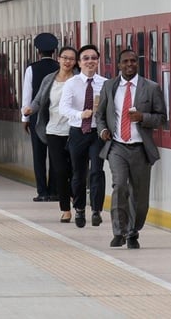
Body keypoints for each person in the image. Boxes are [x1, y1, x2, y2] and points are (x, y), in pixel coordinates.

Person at [95, 49, 166, 249]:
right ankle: (119, 231)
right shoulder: (109, 86)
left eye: (133, 61)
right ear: (118, 65)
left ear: (138, 63)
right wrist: (102, 131)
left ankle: (133, 231)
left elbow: (162, 118)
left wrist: (143, 117)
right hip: (117, 146)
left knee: (140, 197)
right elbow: (99, 116)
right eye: (125, 61)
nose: (130, 65)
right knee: (119, 186)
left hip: (141, 149)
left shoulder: (151, 88)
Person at [23, 46, 79, 223]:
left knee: (76, 170)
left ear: (75, 61)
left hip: (75, 130)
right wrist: (30, 110)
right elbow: (39, 99)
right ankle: (65, 209)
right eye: (65, 57)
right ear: (59, 58)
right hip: (53, 130)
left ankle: (76, 198)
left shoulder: (79, 80)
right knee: (60, 170)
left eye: (71, 58)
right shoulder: (49, 79)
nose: (67, 61)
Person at [59, 44, 107, 229]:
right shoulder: (72, 83)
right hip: (78, 131)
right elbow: (64, 108)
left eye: (93, 58)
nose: (90, 61)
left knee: (97, 170)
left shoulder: (105, 83)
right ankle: (79, 209)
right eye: (86, 58)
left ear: (98, 61)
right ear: (79, 62)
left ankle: (96, 210)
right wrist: (81, 114)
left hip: (97, 133)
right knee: (79, 173)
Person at [21, 32, 59, 202]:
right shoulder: (61, 68)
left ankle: (42, 191)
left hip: (37, 116)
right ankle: (54, 191)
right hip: (57, 116)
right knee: (56, 154)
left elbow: (27, 97)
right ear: (55, 51)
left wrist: (25, 119)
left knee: (39, 155)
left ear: (38, 51)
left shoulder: (32, 69)